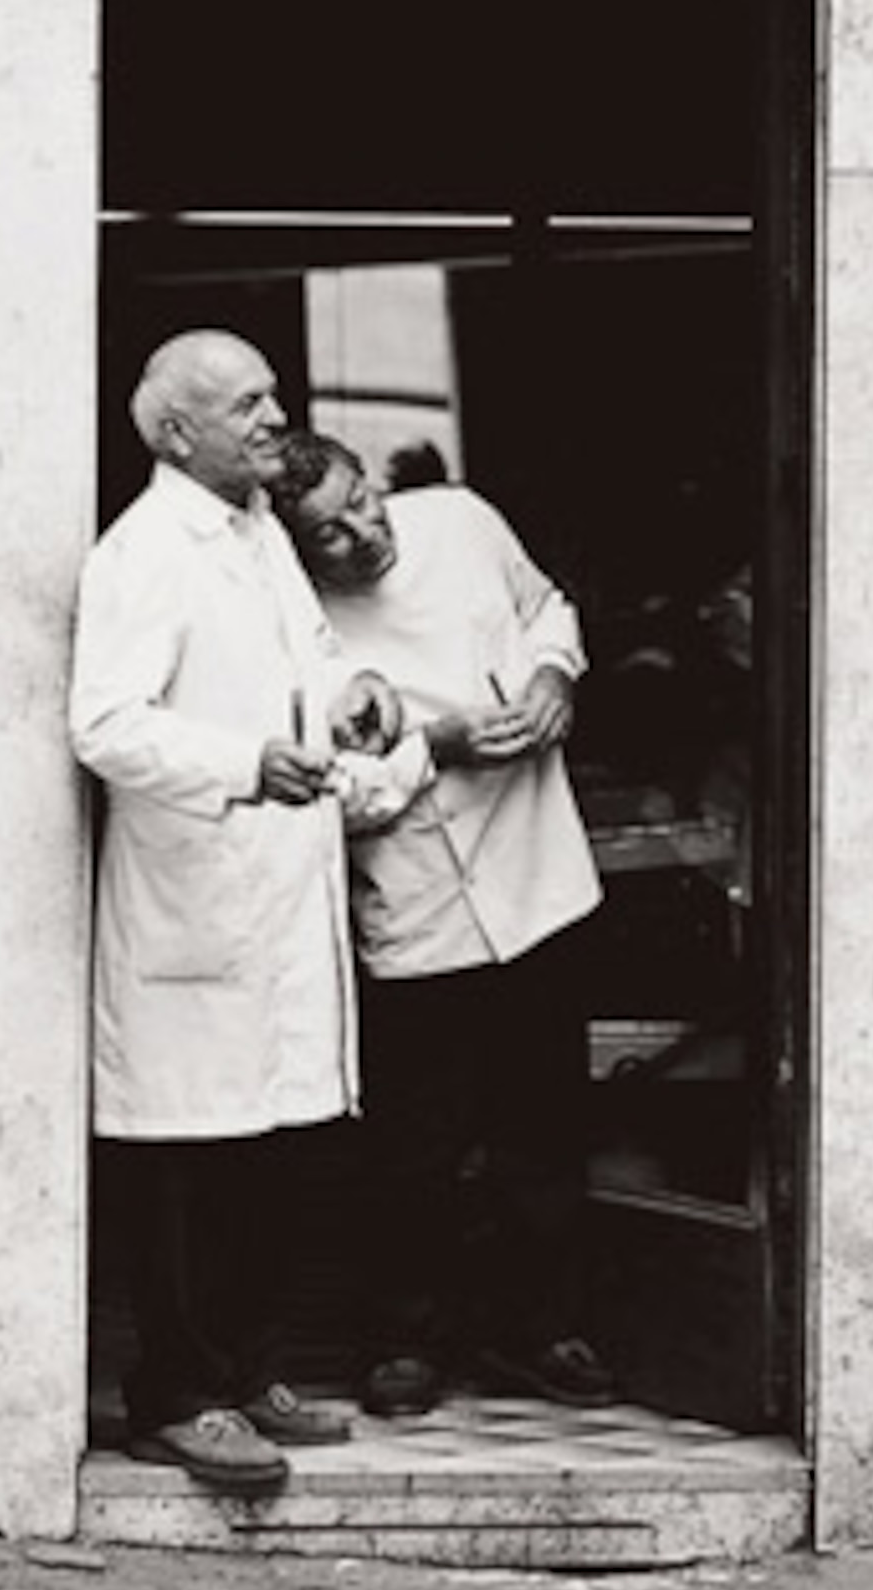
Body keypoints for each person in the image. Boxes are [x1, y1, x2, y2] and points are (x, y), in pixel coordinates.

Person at [69, 331, 396, 1500]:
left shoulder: (258, 535)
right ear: (176, 433)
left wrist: (354, 696)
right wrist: (244, 764)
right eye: (246, 403)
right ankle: (175, 1396)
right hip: (195, 898)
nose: (273, 417)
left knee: (268, 1155)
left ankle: (251, 1372)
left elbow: (313, 662)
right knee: (189, 1167)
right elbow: (105, 724)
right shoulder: (144, 553)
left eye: (272, 395)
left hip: (276, 896)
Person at [272, 428, 620, 1419]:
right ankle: (405, 1340)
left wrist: (554, 678)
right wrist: (440, 744)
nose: (363, 534)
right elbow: (326, 797)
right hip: (413, 903)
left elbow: (547, 609)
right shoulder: (292, 624)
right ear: (294, 550)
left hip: (536, 877)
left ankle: (540, 1329)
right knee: (413, 1146)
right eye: (330, 533)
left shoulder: (462, 523)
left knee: (543, 1127)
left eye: (362, 503)